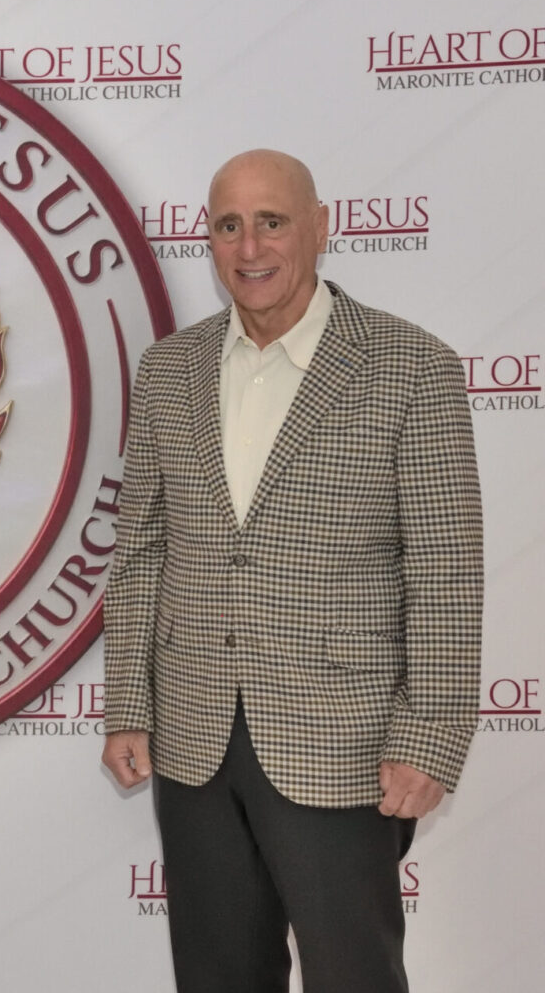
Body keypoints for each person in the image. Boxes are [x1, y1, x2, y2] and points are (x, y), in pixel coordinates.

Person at [101, 149, 482, 992]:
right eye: (228, 226)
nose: (250, 247)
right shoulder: (169, 369)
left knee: (354, 976)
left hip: (342, 743)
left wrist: (429, 736)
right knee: (217, 976)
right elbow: (141, 551)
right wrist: (128, 704)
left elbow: (446, 572)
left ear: (319, 227)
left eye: (271, 221)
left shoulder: (411, 367)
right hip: (193, 740)